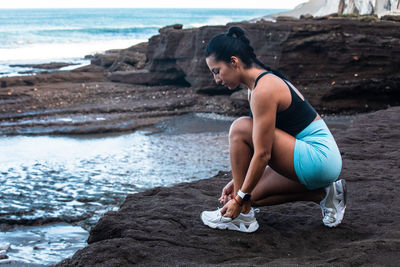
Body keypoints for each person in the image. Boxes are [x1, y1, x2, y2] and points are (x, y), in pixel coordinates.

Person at [200, 26, 346, 233]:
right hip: (315, 160)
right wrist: (238, 185)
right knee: (252, 194)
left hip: (318, 157)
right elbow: (262, 142)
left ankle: (242, 215)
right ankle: (327, 194)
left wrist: (239, 198)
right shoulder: (257, 88)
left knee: (240, 128)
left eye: (217, 71)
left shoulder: (264, 89)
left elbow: (263, 153)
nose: (216, 80)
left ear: (234, 62)